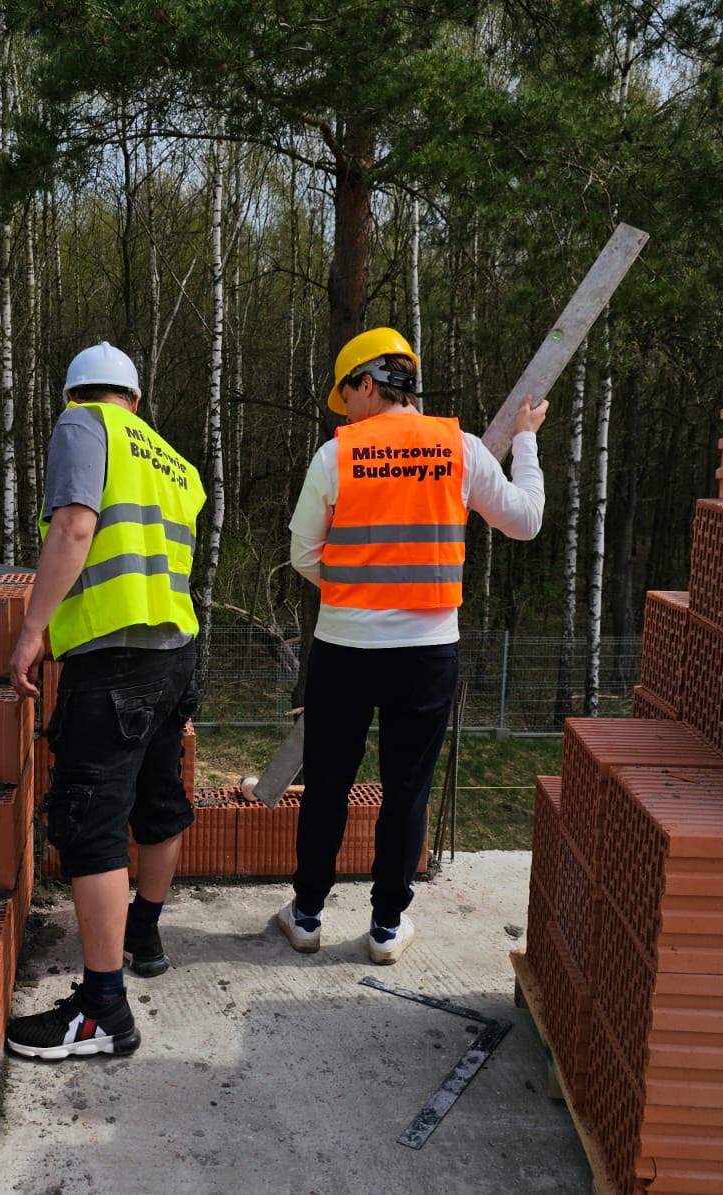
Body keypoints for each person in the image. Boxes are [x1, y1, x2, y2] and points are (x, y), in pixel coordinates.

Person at [277, 327, 547, 964]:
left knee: (328, 786)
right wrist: (528, 441)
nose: (345, 412)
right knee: (406, 790)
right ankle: (387, 927)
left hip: (343, 648)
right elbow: (526, 521)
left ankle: (308, 915)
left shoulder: (336, 455)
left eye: (345, 397)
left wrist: (353, 587)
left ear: (366, 383)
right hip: (427, 652)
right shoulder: (463, 449)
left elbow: (302, 554)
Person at [5, 340, 206, 1061]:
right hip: (175, 654)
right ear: (136, 400)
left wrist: (33, 629)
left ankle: (101, 1009)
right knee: (157, 798)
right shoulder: (175, 462)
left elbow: (75, 525)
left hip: (114, 659)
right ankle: (144, 929)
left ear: (75, 394)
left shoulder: (82, 425)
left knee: (89, 819)